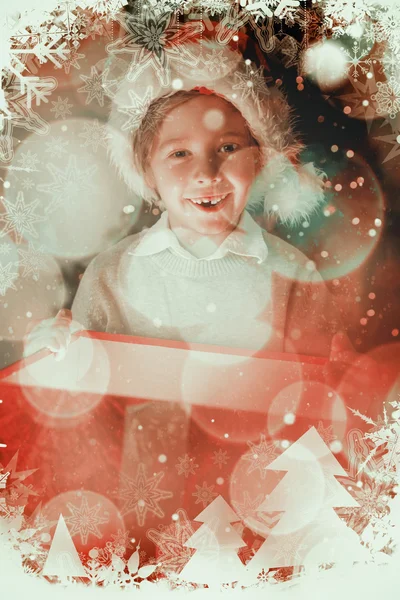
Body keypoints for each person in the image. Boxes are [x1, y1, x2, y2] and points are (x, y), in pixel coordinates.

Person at [23, 30, 366, 380]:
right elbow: (83, 399)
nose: (206, 173)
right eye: (180, 153)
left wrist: (347, 378)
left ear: (259, 160)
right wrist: (52, 361)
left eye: (229, 148)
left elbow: (328, 394)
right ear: (148, 170)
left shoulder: (293, 274)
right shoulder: (109, 276)